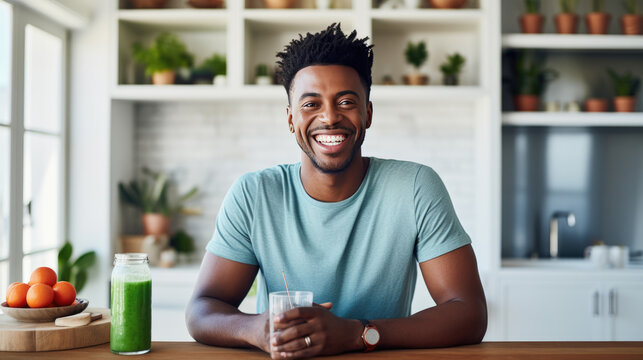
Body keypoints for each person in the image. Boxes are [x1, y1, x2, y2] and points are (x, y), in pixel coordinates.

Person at [186, 23, 487, 359]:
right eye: (311, 104)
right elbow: (201, 310)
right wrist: (258, 329)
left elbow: (469, 313)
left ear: (368, 113)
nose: (329, 117)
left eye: (345, 102)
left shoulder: (415, 187)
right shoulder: (254, 195)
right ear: (290, 119)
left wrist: (357, 334)